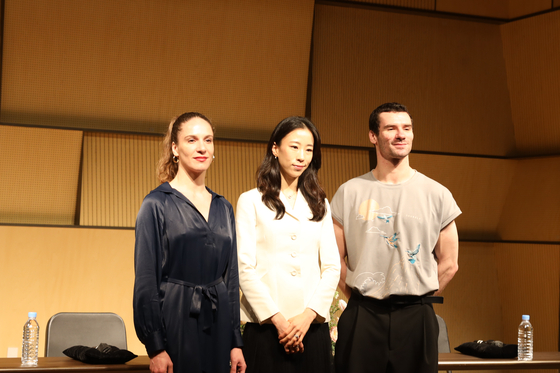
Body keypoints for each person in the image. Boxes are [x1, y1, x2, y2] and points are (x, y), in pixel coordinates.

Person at [332, 103, 461, 373]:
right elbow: (335, 259)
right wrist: (360, 298)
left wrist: (415, 295)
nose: (401, 134)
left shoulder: (437, 194)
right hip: (363, 315)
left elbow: (449, 263)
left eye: (407, 128)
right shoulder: (349, 192)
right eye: (391, 128)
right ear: (373, 136)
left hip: (417, 315)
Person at [133, 112, 246, 373]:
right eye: (192, 140)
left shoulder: (224, 207)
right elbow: (146, 280)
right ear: (175, 148)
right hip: (175, 318)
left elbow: (231, 280)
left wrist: (235, 341)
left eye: (208, 140)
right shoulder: (156, 203)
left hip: (217, 322)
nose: (202, 147)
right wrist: (156, 346)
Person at [236, 116, 341, 373]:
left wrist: (307, 318)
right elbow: (243, 268)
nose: (301, 156)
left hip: (312, 328)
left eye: (308, 149)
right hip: (265, 328)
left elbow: (332, 267)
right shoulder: (251, 201)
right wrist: (280, 321)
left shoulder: (320, 204)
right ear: (275, 148)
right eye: (294, 146)